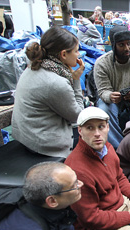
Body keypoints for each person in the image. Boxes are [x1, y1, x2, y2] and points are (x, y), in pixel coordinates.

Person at [12, 26, 85, 158]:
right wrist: (76, 79)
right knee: (96, 135)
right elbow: (78, 116)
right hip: (45, 145)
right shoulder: (56, 82)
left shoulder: (33, 67)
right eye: (76, 51)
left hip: (27, 137)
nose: (78, 55)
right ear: (63, 54)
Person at [94, 25, 130, 149]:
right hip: (112, 100)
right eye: (121, 45)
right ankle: (119, 148)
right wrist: (110, 95)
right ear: (113, 45)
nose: (127, 48)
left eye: (129, 44)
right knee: (104, 110)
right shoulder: (102, 63)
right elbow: (102, 91)